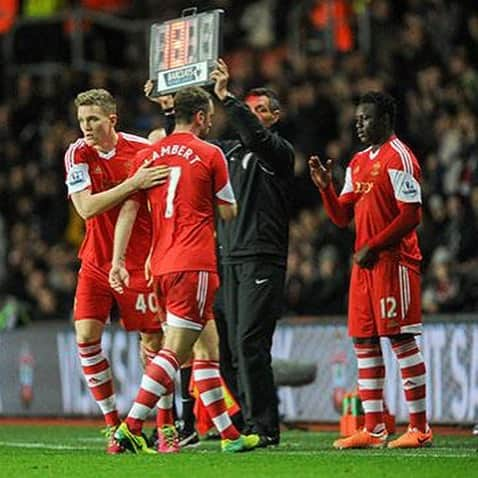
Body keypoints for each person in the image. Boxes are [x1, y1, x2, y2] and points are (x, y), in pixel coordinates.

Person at [109, 86, 260, 454]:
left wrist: (118, 260)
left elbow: (130, 208)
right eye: (209, 116)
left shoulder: (151, 154)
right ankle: (130, 426)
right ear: (201, 117)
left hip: (159, 265)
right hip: (193, 263)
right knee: (175, 353)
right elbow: (228, 211)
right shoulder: (211, 153)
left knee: (207, 350)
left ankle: (230, 436)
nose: (210, 122)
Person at [309, 91, 432, 449]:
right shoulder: (358, 161)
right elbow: (341, 216)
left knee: (400, 340)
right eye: (357, 119)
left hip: (394, 263)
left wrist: (373, 245)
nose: (358, 124)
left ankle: (420, 428)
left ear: (385, 121)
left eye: (365, 119)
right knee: (364, 342)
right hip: (365, 265)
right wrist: (326, 189)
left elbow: (412, 215)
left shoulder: (401, 158)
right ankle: (374, 427)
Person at [64, 88, 169, 453]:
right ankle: (112, 424)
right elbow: (87, 209)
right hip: (95, 260)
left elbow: (151, 206)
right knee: (86, 337)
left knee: (153, 344)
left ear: (112, 119)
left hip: (139, 261)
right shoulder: (77, 153)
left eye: (92, 119)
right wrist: (131, 184)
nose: (86, 127)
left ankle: (164, 428)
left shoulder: (140, 150)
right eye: (81, 120)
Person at [210, 60, 295, 447]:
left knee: (249, 342)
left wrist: (228, 98)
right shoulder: (224, 152)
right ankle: (246, 418)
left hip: (261, 256)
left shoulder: (277, 152)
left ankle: (264, 427)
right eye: (251, 108)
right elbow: (187, 145)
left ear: (275, 118)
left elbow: (256, 138)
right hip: (227, 259)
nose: (255, 116)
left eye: (262, 110)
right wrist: (168, 105)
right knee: (226, 347)